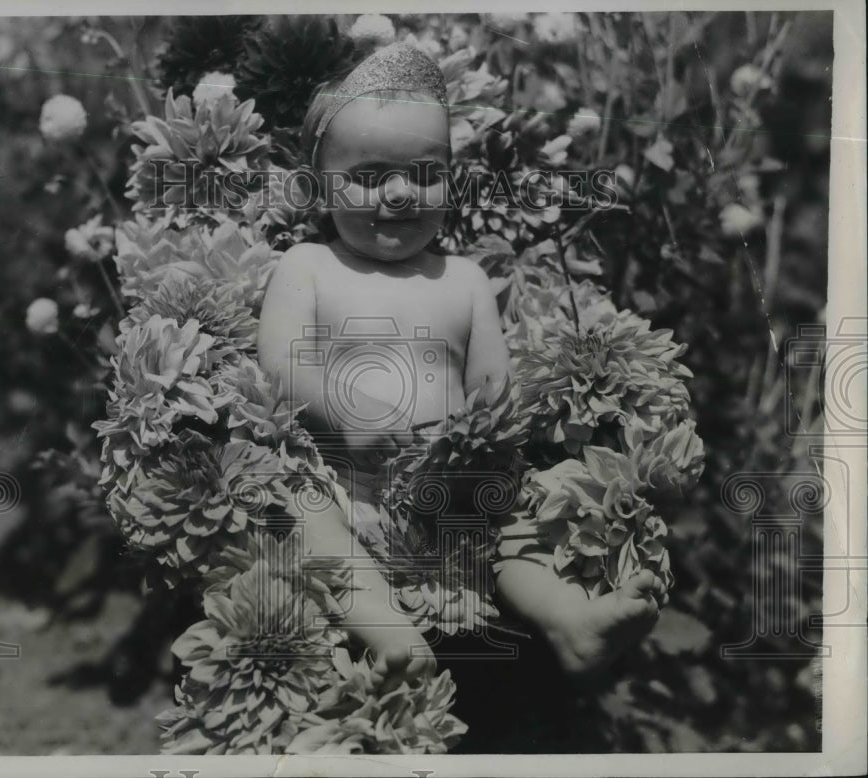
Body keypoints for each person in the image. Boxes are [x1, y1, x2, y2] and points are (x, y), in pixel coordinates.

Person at [257, 43, 666, 746]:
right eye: (369, 176)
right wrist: (340, 411)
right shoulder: (310, 265)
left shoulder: (464, 279)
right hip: (344, 473)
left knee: (514, 521)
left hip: (450, 483)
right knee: (301, 512)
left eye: (424, 174)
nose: (399, 194)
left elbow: (492, 387)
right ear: (318, 186)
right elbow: (278, 362)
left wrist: (483, 444)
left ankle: (568, 622)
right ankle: (388, 628)